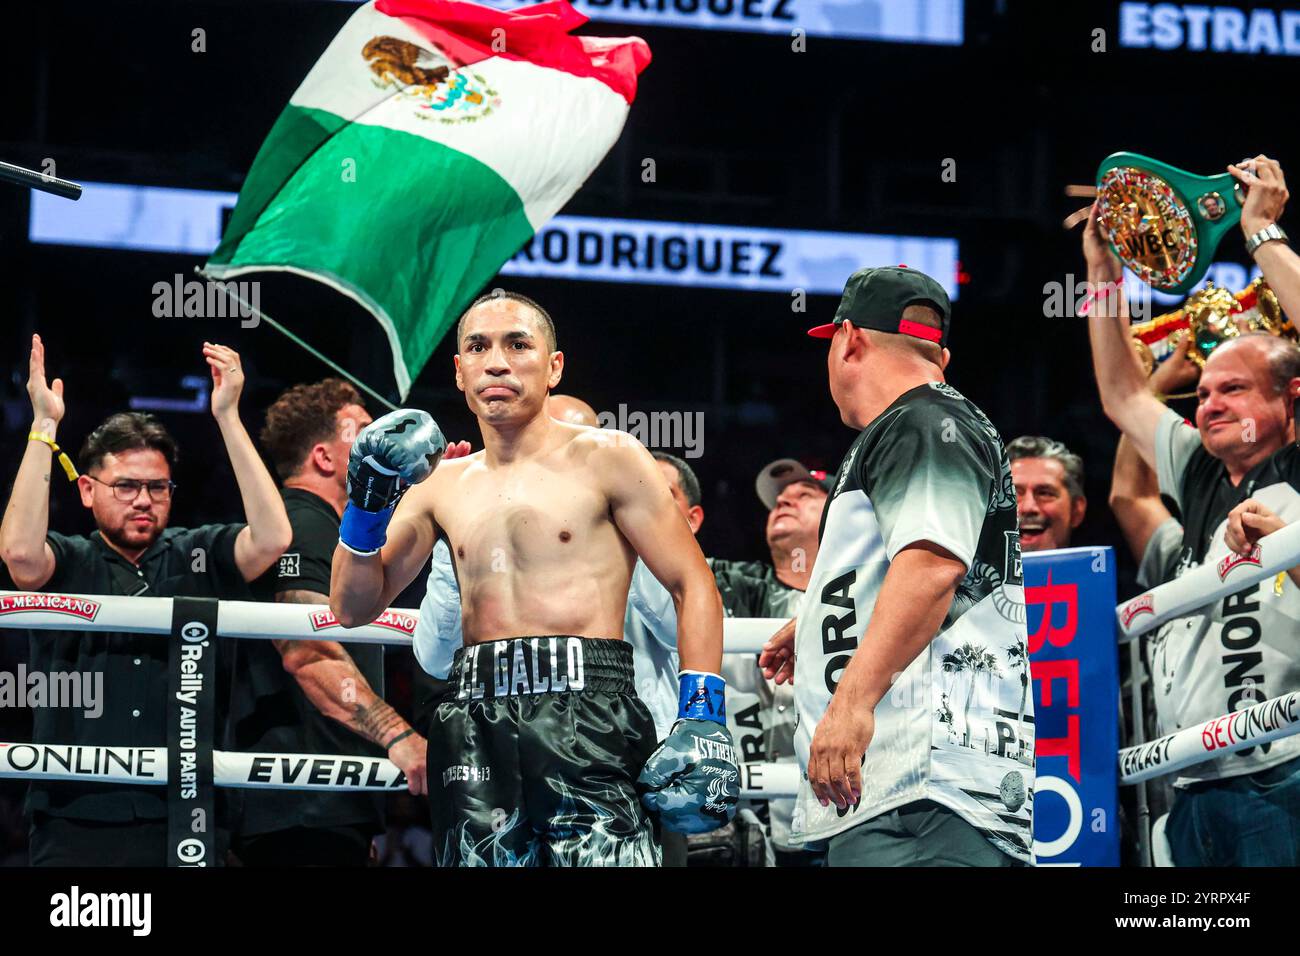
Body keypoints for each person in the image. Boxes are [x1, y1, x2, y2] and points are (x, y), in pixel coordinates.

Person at [329, 289, 739, 866]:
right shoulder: (439, 484)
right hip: (473, 718)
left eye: (517, 344)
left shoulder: (611, 456)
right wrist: (367, 501)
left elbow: (692, 584)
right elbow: (352, 605)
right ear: (459, 371)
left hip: (589, 710)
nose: (497, 360)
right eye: (479, 346)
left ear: (553, 367)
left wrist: (702, 715)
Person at [760, 265, 1034, 866]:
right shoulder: (926, 421)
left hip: (923, 789)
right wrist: (817, 619)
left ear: (849, 338)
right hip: (905, 791)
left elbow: (933, 565)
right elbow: (923, 558)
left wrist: (851, 703)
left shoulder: (923, 419)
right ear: (941, 353)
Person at [1083, 153, 1300, 866]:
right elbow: (1123, 396)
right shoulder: (1204, 466)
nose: (1207, 405)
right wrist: (1103, 280)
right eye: (1202, 393)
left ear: (1288, 400)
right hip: (1197, 783)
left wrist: (1262, 233)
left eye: (1231, 390)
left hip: (1286, 773)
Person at [0, 336, 291, 866]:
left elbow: (273, 537)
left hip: (187, 814)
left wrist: (227, 416)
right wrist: (44, 427)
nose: (143, 500)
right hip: (74, 814)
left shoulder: (198, 553)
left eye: (158, 488)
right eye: (127, 486)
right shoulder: (68, 560)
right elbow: (19, 554)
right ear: (87, 491)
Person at [224, 377, 429, 867]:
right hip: (298, 807)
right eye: (361, 431)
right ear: (324, 457)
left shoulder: (335, 530)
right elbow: (305, 653)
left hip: (325, 804)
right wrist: (400, 738)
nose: (381, 442)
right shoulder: (302, 522)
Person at [1006, 436, 1086, 552]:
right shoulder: (972, 568)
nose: (1028, 508)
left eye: (1044, 493)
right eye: (1013, 495)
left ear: (1076, 510)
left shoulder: (1100, 568)